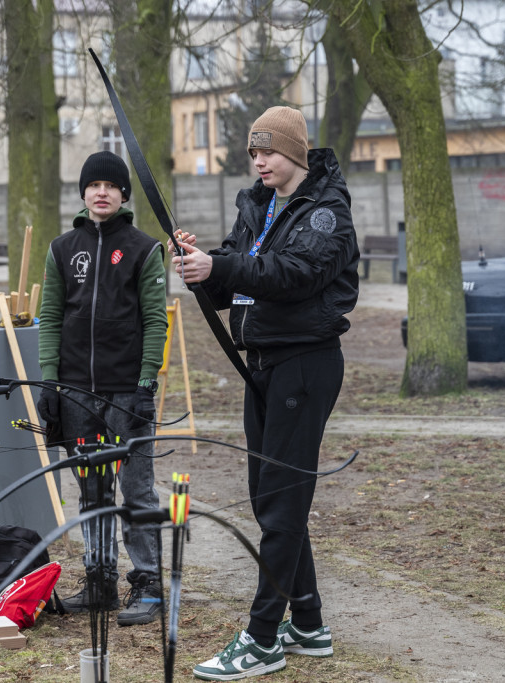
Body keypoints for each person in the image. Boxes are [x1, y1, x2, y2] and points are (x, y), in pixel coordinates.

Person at [170, 106, 359, 680]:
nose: (259, 161)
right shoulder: (257, 205)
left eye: (269, 150)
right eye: (254, 152)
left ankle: (262, 638)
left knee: (280, 502)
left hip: (305, 364)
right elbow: (234, 280)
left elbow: (293, 275)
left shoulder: (325, 212)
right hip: (262, 365)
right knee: (271, 497)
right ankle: (309, 623)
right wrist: (200, 268)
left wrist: (224, 266)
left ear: (295, 152)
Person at [37, 151, 168, 626]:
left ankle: (148, 583)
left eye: (111, 186)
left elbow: (155, 321)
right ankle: (99, 581)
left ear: (124, 194)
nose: (102, 192)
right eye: (94, 185)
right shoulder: (61, 249)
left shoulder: (143, 249)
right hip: (76, 392)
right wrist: (50, 382)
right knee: (92, 491)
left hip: (126, 392)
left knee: (137, 490)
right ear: (83, 193)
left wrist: (146, 382)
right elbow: (50, 317)